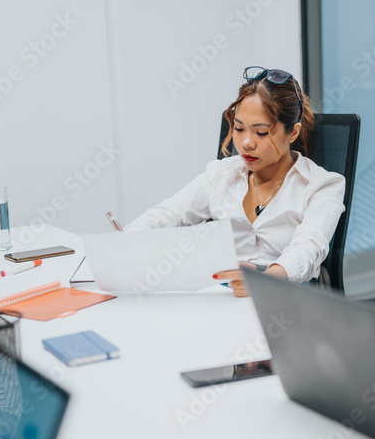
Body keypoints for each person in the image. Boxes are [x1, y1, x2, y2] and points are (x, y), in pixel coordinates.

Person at [125, 67, 345, 296]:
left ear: (292, 133)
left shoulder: (323, 185)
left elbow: (307, 249)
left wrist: (262, 281)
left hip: (285, 296)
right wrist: (127, 241)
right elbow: (169, 214)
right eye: (239, 129)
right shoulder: (220, 174)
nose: (246, 143)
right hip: (224, 292)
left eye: (261, 133)